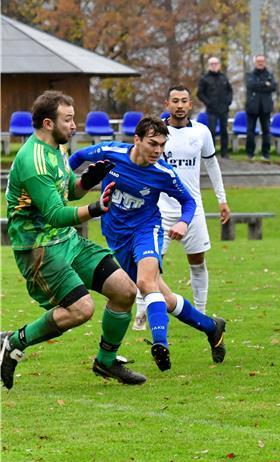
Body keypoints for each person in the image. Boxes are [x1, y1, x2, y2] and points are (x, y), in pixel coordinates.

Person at [1, 90, 146, 389]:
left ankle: (106, 363)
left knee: (125, 291)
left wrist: (88, 181)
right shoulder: (34, 161)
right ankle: (11, 342)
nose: (74, 125)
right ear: (48, 123)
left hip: (67, 240)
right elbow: (55, 213)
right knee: (81, 309)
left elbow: (70, 191)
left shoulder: (57, 149)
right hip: (40, 248)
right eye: (68, 119)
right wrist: (94, 209)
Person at [69, 116, 227, 371]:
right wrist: (64, 181)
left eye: (162, 145)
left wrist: (184, 223)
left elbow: (188, 201)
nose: (158, 150)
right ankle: (211, 327)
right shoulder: (110, 152)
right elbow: (78, 157)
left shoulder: (163, 172)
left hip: (147, 230)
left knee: (144, 283)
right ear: (136, 139)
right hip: (116, 236)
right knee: (161, 296)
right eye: (153, 143)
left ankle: (160, 344)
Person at [132, 85, 231, 330]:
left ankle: (200, 312)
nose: (179, 105)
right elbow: (138, 162)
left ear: (190, 105)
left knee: (198, 261)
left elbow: (212, 166)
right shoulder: (156, 132)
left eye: (184, 101)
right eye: (174, 100)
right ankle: (141, 312)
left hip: (192, 208)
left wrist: (222, 199)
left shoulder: (201, 132)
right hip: (160, 209)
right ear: (167, 104)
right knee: (149, 263)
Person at [197, 56, 233, 158]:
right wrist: (208, 103)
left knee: (224, 131)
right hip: (211, 110)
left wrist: (228, 102)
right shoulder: (204, 79)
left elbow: (230, 91)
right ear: (209, 66)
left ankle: (224, 153)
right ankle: (211, 153)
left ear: (219, 65)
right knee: (211, 131)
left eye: (216, 64)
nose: (214, 66)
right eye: (212, 64)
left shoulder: (223, 77)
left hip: (224, 109)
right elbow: (200, 94)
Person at [245, 54, 277, 161]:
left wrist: (260, 85)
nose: (260, 63)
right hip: (252, 108)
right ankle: (250, 153)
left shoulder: (270, 74)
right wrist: (265, 84)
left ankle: (266, 154)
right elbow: (250, 85)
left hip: (265, 108)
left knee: (266, 131)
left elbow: (273, 87)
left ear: (265, 62)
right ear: (255, 62)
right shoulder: (250, 74)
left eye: (262, 61)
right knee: (250, 131)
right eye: (258, 61)